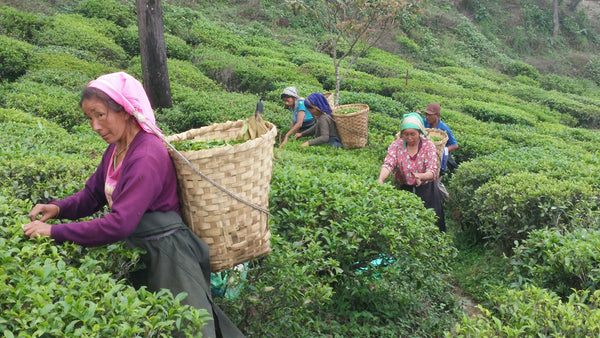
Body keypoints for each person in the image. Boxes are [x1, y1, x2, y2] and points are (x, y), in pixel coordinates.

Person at [22, 72, 244, 338]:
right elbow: (92, 195)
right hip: (143, 249)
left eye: (100, 115)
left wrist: (54, 232)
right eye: (89, 118)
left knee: (189, 330)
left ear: (126, 111)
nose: (94, 125)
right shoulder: (116, 148)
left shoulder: (147, 154)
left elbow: (119, 224)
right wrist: (57, 208)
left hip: (168, 254)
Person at [378, 112, 446, 232]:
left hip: (427, 189)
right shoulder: (397, 145)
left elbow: (432, 171)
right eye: (406, 134)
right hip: (406, 188)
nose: (409, 138)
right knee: (408, 223)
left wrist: (421, 176)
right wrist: (381, 179)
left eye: (413, 134)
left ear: (420, 132)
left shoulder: (428, 146)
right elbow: (388, 163)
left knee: (433, 222)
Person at [419, 102, 458, 176]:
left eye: (430, 115)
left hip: (439, 157)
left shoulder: (444, 128)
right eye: (426, 114)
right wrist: (415, 116)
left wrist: (442, 150)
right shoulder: (424, 122)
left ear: (437, 116)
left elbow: (455, 145)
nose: (427, 117)